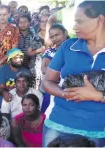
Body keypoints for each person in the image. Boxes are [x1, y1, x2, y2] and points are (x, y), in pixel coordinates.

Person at [42, 1, 105, 147]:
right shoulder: (68, 46)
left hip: (98, 129)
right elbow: (47, 82)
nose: (74, 27)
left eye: (79, 21)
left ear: (100, 20)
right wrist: (66, 94)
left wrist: (97, 96)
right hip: (59, 123)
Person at [0, 5, 20, 71]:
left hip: (8, 65)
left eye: (4, 14)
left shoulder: (14, 30)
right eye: (0, 14)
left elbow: (14, 49)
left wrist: (0, 62)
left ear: (9, 14)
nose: (2, 17)